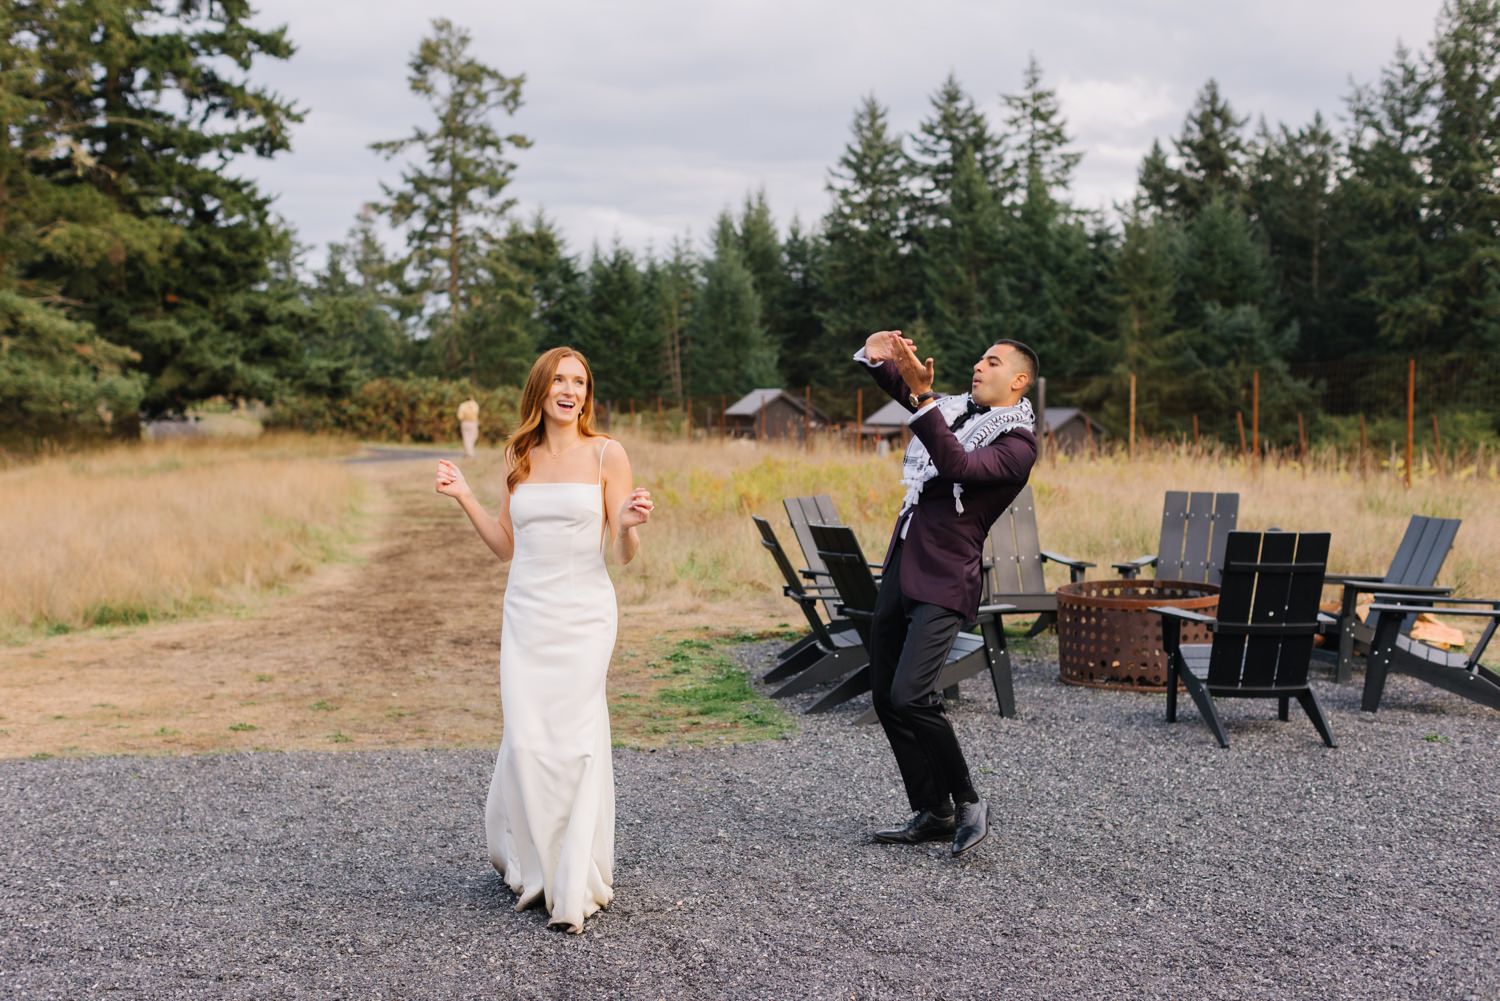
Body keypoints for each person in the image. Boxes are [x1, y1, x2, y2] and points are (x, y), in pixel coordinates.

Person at [434, 347, 653, 932]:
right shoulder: (520, 454)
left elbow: (621, 553)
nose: (570, 389)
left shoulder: (609, 453)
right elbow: (507, 545)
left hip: (584, 614)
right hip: (526, 614)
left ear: (587, 393)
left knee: (578, 738)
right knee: (528, 739)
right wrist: (463, 497)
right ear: (541, 388)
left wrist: (628, 527)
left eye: (580, 381)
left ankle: (573, 880)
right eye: (560, 379)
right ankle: (535, 866)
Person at [853, 329, 1039, 856]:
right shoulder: (956, 411)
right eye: (980, 358)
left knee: (912, 695)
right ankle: (933, 810)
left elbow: (956, 464)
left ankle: (968, 801)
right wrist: (877, 356)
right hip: (902, 566)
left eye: (994, 362)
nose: (979, 366)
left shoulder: (1016, 446)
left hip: (945, 580)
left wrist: (925, 399)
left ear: (1018, 382)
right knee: (886, 696)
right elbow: (913, 397)